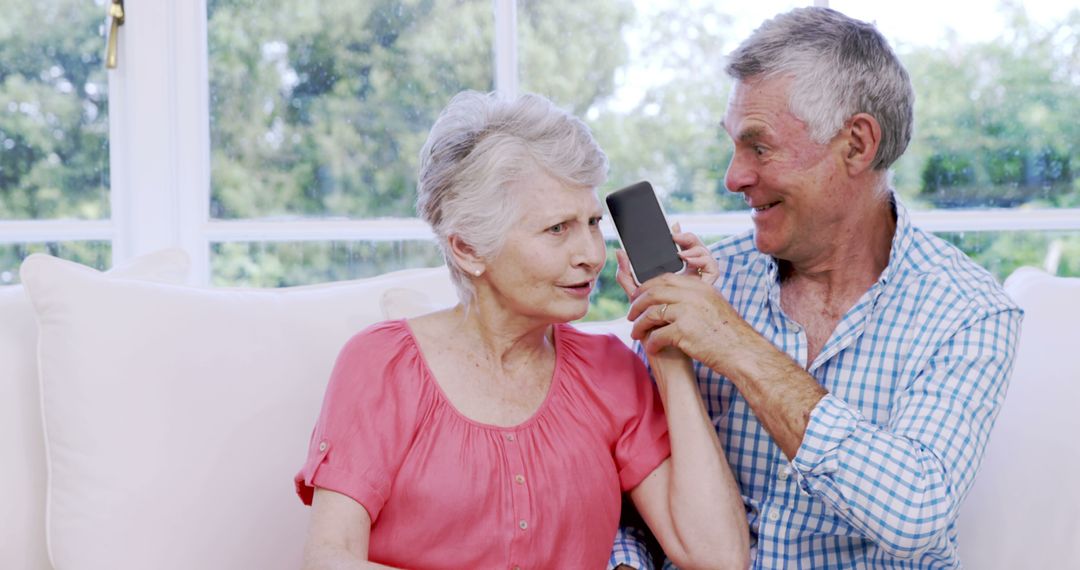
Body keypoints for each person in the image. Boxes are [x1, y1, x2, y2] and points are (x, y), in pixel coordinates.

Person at [610, 7, 1023, 569]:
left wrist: (731, 342)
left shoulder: (969, 311)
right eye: (733, 146)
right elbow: (629, 503)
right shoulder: (704, 287)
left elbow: (915, 513)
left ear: (856, 144)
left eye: (759, 146)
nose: (734, 177)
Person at [294, 90, 749, 570]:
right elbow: (329, 557)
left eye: (593, 222)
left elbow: (718, 557)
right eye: (558, 229)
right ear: (468, 248)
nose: (591, 254)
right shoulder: (381, 365)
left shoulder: (610, 371)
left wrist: (668, 341)